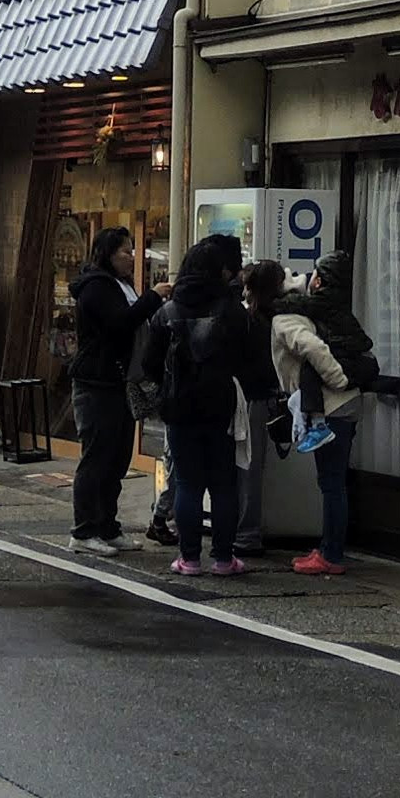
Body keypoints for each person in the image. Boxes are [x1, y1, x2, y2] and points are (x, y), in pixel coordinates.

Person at [129, 233, 273, 577]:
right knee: (224, 483)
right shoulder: (232, 312)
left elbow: (149, 364)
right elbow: (252, 358)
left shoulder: (167, 312)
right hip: (222, 408)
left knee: (189, 483)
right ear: (218, 272)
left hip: (179, 408)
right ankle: (224, 558)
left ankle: (189, 558)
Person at [250, 258, 362, 576]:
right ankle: (330, 547)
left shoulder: (284, 318)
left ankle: (332, 554)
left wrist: (337, 378)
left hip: (333, 404)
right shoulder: (300, 310)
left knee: (331, 483)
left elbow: (313, 347)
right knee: (333, 481)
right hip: (340, 404)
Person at [64, 225, 160, 555]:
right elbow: (120, 324)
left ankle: (107, 525)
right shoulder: (96, 288)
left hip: (120, 382)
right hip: (96, 382)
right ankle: (84, 530)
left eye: (132, 250)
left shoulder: (121, 285)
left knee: (117, 458)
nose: (131, 256)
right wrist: (153, 298)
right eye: (124, 251)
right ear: (107, 253)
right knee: (96, 458)